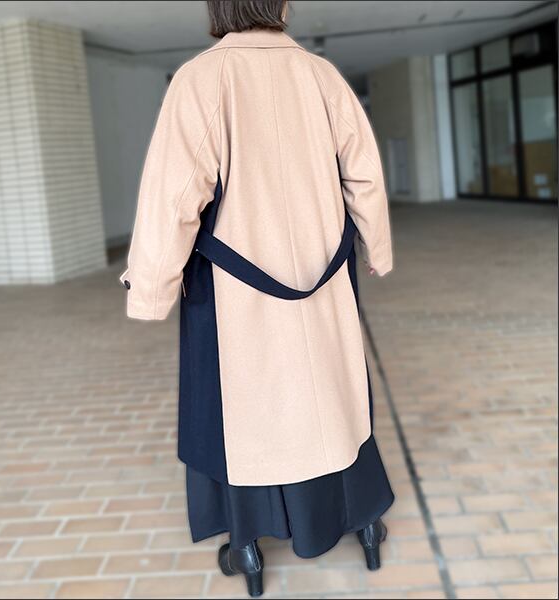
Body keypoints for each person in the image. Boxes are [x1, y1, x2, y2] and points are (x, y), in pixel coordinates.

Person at [119, 1, 394, 596]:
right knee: (334, 398)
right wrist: (377, 246)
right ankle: (365, 523)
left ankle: (246, 544)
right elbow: (364, 175)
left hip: (234, 291)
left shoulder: (200, 79)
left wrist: (152, 287)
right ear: (283, 4)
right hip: (322, 281)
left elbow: (174, 195)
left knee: (241, 416)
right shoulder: (321, 76)